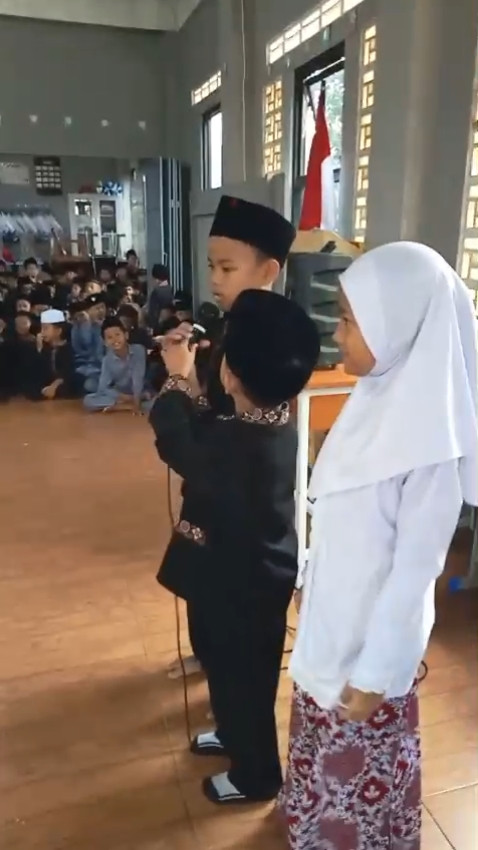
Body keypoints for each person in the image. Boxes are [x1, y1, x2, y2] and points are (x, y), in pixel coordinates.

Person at [279, 242, 478, 850]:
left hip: (369, 653)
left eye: (347, 319)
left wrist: (373, 672)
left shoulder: (430, 449)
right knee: (317, 748)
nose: (336, 333)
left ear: (398, 326)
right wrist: (310, 582)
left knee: (356, 784)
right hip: (330, 629)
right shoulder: (370, 403)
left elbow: (414, 574)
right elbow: (336, 515)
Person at [151, 289, 320, 804]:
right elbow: (211, 424)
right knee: (229, 672)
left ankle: (257, 776)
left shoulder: (237, 445)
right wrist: (193, 379)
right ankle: (231, 734)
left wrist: (178, 377)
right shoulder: (270, 424)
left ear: (230, 375)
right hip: (246, 575)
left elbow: (180, 440)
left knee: (244, 683)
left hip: (242, 584)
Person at [162, 195, 297, 681]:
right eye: (210, 267)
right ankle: (209, 657)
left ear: (268, 271)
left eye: (227, 268)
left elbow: (240, 422)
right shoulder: (230, 324)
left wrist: (179, 384)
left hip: (240, 486)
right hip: (218, 471)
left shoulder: (273, 337)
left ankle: (230, 684)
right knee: (204, 583)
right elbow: (217, 406)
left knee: (235, 606)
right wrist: (191, 378)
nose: (215, 279)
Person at [83, 316, 151, 414]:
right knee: (88, 401)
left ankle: (124, 404)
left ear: (126, 335)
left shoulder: (138, 350)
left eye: (117, 335)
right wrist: (125, 397)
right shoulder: (107, 360)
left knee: (153, 403)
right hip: (121, 394)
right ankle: (125, 406)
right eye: (109, 337)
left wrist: (136, 403)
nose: (115, 340)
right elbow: (103, 387)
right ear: (105, 342)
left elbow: (138, 379)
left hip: (140, 390)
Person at [27, 308, 80, 401]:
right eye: (42, 328)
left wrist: (54, 386)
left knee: (68, 386)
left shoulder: (67, 348)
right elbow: (39, 371)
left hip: (62, 382)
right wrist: (39, 349)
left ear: (58, 331)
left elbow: (67, 373)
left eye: (46, 328)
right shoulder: (45, 347)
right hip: (48, 380)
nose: (42, 332)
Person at [71, 294, 105, 393]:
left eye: (102, 307)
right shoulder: (79, 327)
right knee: (89, 385)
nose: (100, 311)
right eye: (96, 308)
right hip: (87, 368)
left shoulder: (109, 325)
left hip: (107, 368)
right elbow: (79, 350)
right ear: (88, 311)